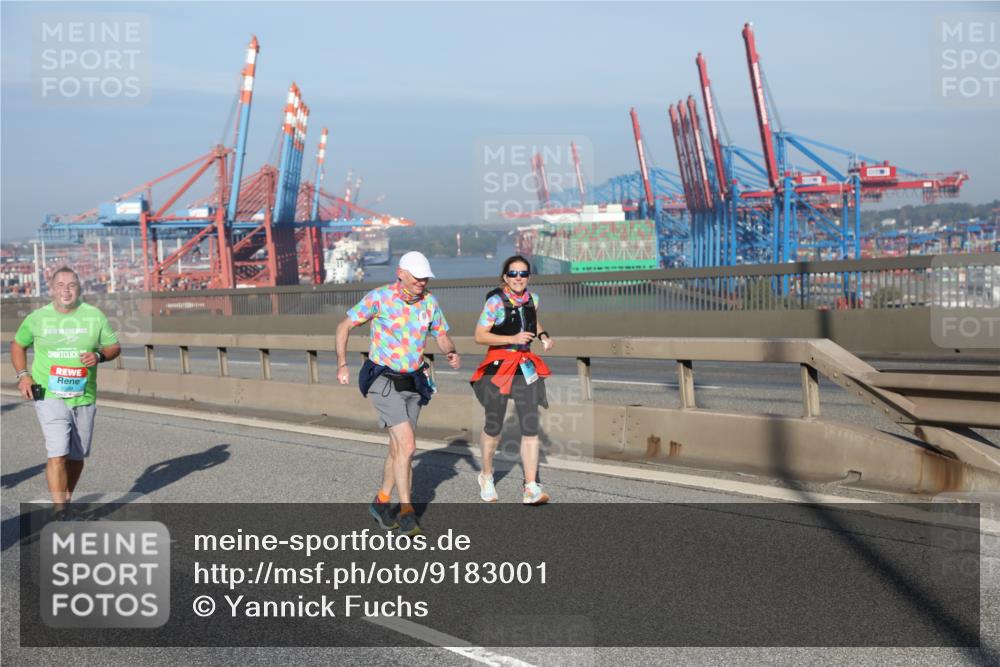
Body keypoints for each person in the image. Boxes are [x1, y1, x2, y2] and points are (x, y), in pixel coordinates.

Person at [336, 251, 460, 536]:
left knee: (398, 449)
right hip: (383, 379)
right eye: (417, 276)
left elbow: (440, 334)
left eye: (425, 276)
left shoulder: (430, 302)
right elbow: (344, 326)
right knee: (408, 446)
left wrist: (450, 351)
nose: (422, 281)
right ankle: (407, 512)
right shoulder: (379, 298)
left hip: (414, 381)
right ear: (401, 274)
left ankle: (380, 502)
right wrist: (342, 363)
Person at [10, 266, 121, 515]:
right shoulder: (38, 317)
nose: (66, 290)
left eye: (71, 285)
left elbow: (114, 347)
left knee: (76, 456)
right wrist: (24, 376)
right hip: (48, 393)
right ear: (51, 289)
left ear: (79, 288)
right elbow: (17, 345)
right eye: (60, 285)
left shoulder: (94, 315)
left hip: (84, 394)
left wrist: (99, 355)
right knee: (57, 451)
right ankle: (61, 512)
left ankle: (65, 497)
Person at [470, 255, 554, 505]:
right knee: (493, 426)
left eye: (524, 273)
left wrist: (543, 335)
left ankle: (531, 487)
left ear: (529, 276)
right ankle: (486, 475)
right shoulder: (495, 302)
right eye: (514, 273)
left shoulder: (533, 299)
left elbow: (531, 319)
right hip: (498, 368)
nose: (519, 278)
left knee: (530, 425)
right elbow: (479, 336)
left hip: (525, 366)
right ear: (505, 277)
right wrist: (512, 339)